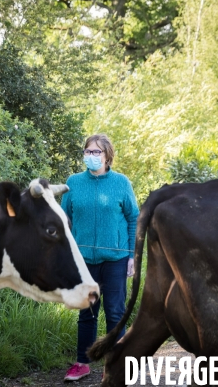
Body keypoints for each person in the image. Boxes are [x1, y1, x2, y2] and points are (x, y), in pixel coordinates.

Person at [61, 133, 139, 381]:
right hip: (84, 260)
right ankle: (82, 363)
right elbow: (64, 220)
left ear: (107, 156)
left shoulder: (121, 183)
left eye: (97, 152)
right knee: (87, 312)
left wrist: (131, 256)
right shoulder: (73, 182)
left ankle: (117, 365)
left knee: (115, 312)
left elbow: (133, 217)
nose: (91, 156)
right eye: (88, 151)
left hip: (115, 258)